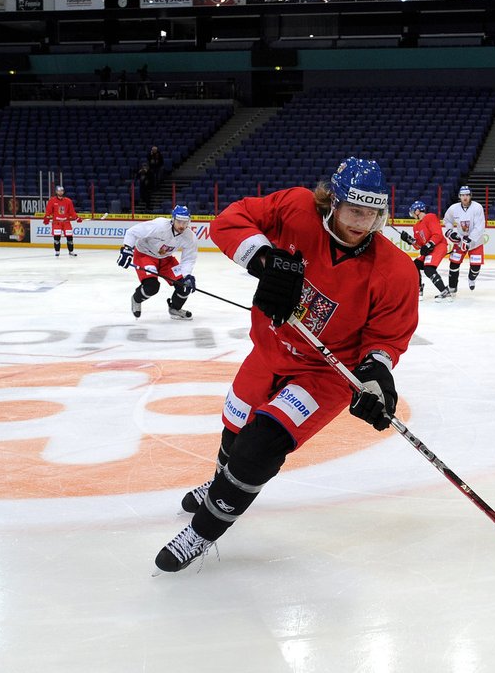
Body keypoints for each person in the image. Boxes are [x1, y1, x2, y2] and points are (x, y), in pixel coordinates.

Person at [153, 157, 419, 574]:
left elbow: (388, 336)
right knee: (234, 429)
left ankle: (202, 532)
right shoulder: (296, 208)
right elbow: (229, 220)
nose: (363, 223)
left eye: (374, 214)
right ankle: (221, 482)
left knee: (259, 447)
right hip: (269, 350)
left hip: (324, 376)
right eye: (355, 210)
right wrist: (263, 259)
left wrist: (376, 375)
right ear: (333, 201)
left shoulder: (396, 270)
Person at [117, 205, 199, 321]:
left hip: (166, 260)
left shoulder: (190, 237)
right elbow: (132, 232)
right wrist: (127, 250)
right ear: (173, 219)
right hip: (146, 255)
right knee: (152, 286)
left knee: (184, 287)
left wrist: (187, 276)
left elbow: (188, 259)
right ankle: (136, 299)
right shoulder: (159, 225)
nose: (182, 226)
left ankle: (175, 309)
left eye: (185, 223)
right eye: (179, 221)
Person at [400, 200, 452, 300]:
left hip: (438, 246)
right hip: (429, 249)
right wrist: (409, 240)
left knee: (429, 269)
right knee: (414, 265)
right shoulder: (416, 227)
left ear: (417, 211)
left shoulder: (430, 217)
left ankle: (444, 291)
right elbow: (419, 246)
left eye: (413, 211)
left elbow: (438, 235)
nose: (412, 213)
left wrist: (428, 245)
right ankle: (419, 288)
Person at [442, 185, 486, 295]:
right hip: (460, 241)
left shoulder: (477, 207)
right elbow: (447, 220)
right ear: (459, 196)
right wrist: (450, 232)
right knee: (454, 264)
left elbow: (480, 226)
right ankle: (452, 287)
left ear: (470, 196)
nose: (465, 197)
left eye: (467, 195)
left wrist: (470, 239)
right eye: (462, 195)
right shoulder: (453, 208)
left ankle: (471, 278)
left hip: (475, 242)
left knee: (476, 267)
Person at [43, 184, 82, 257]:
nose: (60, 192)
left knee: (69, 237)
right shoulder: (52, 201)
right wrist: (46, 218)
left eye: (62, 191)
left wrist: (76, 218)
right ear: (56, 192)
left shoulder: (68, 201)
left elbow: (72, 212)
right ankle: (57, 251)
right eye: (59, 191)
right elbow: (48, 211)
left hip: (66, 222)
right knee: (57, 238)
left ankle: (71, 251)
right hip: (56, 223)